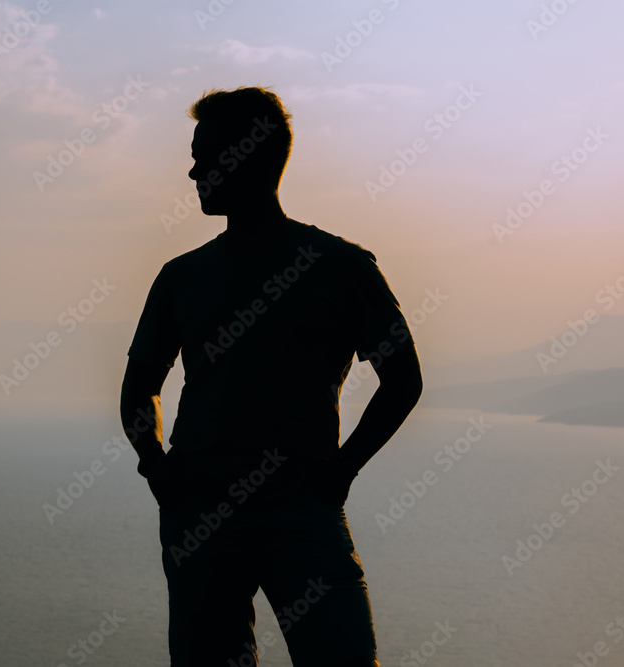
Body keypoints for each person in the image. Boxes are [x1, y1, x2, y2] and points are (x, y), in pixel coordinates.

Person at [120, 86, 422, 667]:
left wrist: (343, 469)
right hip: (214, 512)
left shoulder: (341, 267)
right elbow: (141, 388)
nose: (192, 171)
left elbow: (403, 378)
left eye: (204, 155)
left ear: (249, 156)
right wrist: (156, 468)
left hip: (293, 510)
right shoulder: (182, 276)